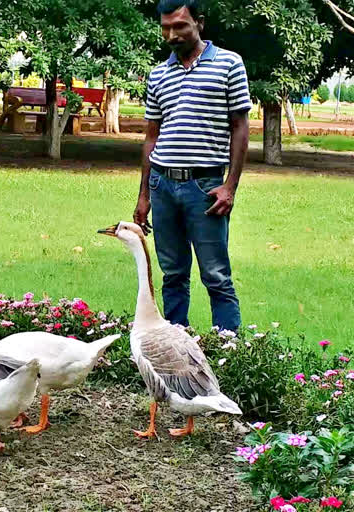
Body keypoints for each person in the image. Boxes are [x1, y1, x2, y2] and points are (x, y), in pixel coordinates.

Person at [132, 0, 251, 331]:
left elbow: (240, 127)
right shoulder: (158, 74)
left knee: (216, 275)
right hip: (163, 186)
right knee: (172, 274)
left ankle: (229, 350)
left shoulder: (229, 64)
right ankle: (175, 350)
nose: (172, 34)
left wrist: (230, 186)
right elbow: (151, 138)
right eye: (166, 27)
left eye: (180, 26)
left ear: (198, 23)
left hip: (205, 188)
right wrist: (144, 196)